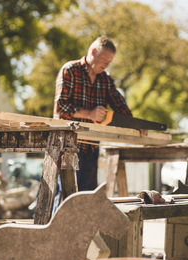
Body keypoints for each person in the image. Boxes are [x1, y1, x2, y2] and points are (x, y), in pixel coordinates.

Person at [53, 36, 132, 195]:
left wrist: (135, 124)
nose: (107, 64)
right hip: (67, 145)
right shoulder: (70, 70)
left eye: (110, 61)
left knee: (87, 198)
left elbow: (120, 105)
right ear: (93, 52)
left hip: (91, 146)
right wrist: (90, 114)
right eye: (105, 59)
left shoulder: (105, 79)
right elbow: (61, 107)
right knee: (66, 196)